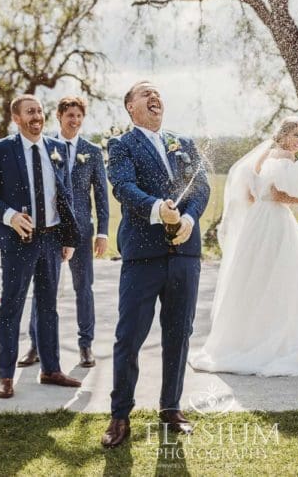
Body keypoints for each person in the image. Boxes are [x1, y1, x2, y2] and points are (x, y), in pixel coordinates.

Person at [101, 82, 211, 449]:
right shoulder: (121, 146)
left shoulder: (184, 142)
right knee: (129, 336)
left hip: (185, 254)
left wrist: (190, 220)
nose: (155, 98)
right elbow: (123, 187)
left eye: (158, 94)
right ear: (130, 107)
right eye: (145, 94)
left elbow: (201, 188)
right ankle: (120, 415)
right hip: (142, 256)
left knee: (179, 333)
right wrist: (157, 210)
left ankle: (171, 407)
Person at [190, 116, 298, 375]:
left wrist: (266, 204)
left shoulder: (262, 156)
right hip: (276, 221)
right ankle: (275, 341)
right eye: (297, 135)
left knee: (255, 275)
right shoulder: (283, 157)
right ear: (284, 134)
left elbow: (250, 194)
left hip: (257, 221)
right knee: (282, 276)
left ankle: (247, 337)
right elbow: (277, 195)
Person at [0, 94, 81, 398]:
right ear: (17, 119)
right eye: (29, 112)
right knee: (12, 307)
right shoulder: (3, 149)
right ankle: (6, 376)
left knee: (48, 308)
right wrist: (9, 216)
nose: (37, 116)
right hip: (18, 240)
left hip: (51, 239)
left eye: (39, 111)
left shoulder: (56, 148)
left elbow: (66, 195)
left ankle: (51, 369)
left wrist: (68, 238)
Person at [21, 96, 108, 369]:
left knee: (84, 287)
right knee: (43, 289)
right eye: (70, 115)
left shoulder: (92, 151)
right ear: (59, 116)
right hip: (50, 230)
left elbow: (102, 195)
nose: (75, 120)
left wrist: (103, 232)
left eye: (79, 116)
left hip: (82, 231)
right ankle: (35, 344)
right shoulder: (44, 146)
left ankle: (85, 345)